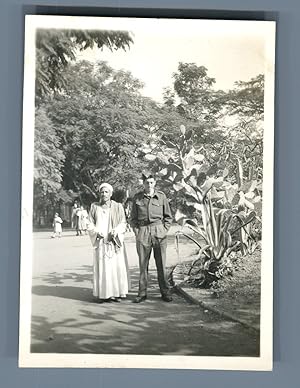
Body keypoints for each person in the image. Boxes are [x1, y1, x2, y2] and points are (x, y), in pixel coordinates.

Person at [130, 173, 173, 303]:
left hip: (158, 230)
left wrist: (164, 230)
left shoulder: (161, 197)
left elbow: (168, 217)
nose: (149, 185)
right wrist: (138, 232)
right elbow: (132, 218)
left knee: (161, 264)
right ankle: (142, 293)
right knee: (143, 265)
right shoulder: (138, 198)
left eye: (151, 182)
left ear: (155, 183)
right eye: (147, 182)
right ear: (143, 184)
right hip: (143, 231)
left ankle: (165, 292)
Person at [87, 183, 129, 302]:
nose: (104, 194)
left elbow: (123, 223)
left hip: (113, 241)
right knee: (104, 267)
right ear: (99, 194)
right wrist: (96, 231)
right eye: (102, 192)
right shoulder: (94, 207)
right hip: (101, 241)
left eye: (106, 192)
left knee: (115, 267)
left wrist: (116, 231)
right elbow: (89, 223)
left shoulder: (118, 206)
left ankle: (116, 293)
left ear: (111, 194)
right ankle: (104, 294)